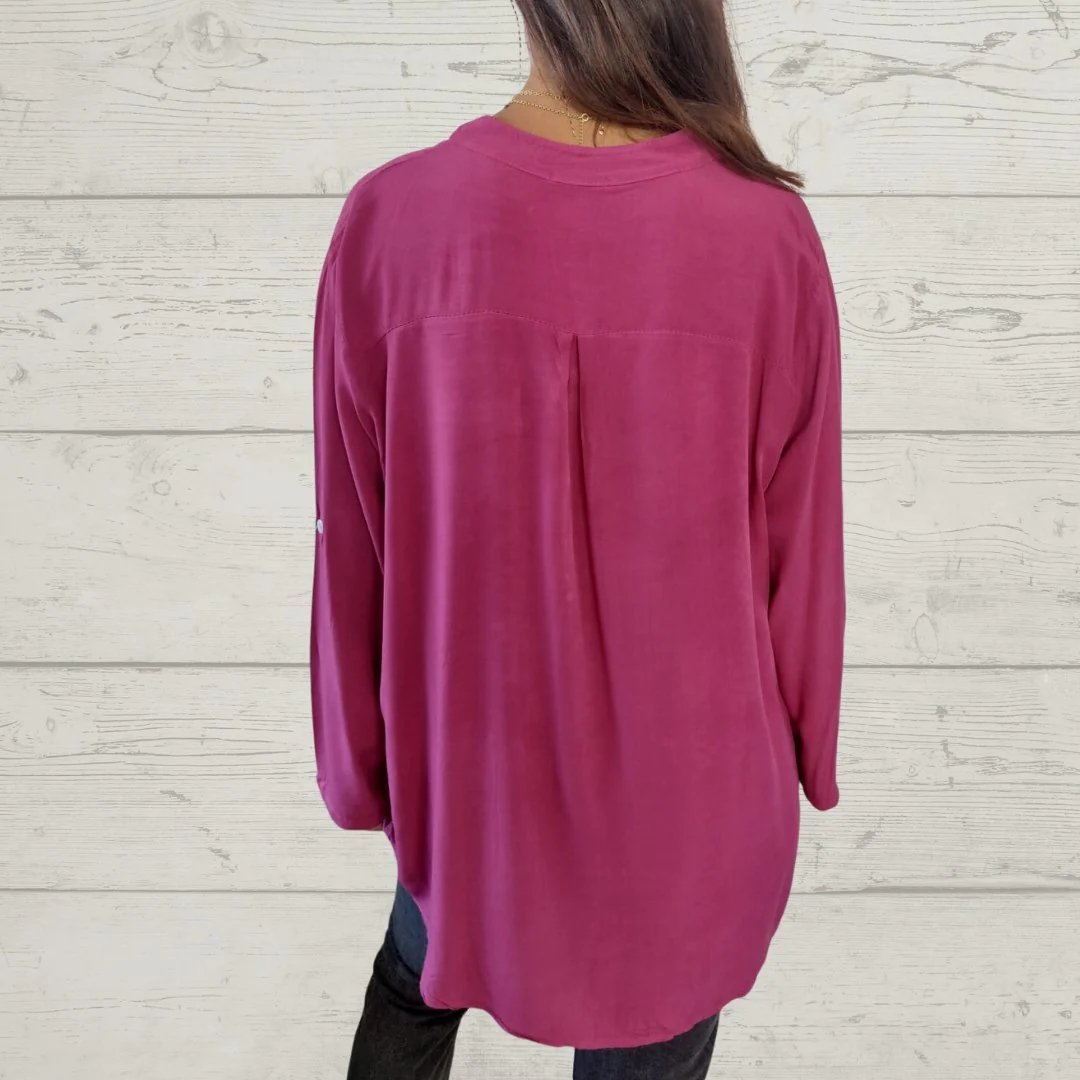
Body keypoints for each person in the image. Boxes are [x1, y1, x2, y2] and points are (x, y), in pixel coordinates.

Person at [309, 2, 847, 1077]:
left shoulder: (393, 219)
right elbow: (805, 546)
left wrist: (358, 766)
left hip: (470, 791)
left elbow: (352, 538)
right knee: (641, 1028)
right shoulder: (765, 234)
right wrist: (808, 753)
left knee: (415, 977)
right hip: (694, 802)